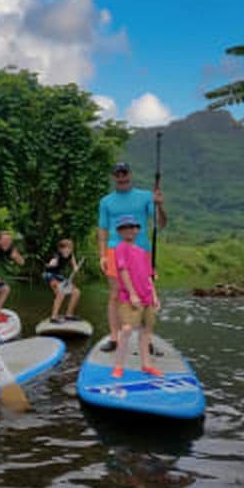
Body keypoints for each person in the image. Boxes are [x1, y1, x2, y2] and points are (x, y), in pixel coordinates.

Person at [98, 162, 167, 352]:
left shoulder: (146, 196)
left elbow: (161, 224)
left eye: (124, 173)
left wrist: (160, 206)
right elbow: (102, 230)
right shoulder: (105, 201)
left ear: (130, 174)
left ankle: (147, 339)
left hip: (142, 251)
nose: (121, 177)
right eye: (117, 174)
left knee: (146, 295)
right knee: (115, 295)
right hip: (114, 250)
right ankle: (114, 338)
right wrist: (102, 255)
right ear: (114, 176)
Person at [111, 215, 162, 379]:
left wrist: (155, 296)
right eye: (125, 227)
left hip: (147, 297)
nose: (130, 230)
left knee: (146, 332)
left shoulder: (142, 252)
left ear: (137, 229)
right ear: (120, 231)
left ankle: (146, 365)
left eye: (132, 227)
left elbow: (149, 276)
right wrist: (132, 293)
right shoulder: (121, 248)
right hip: (129, 297)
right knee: (126, 329)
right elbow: (123, 270)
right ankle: (119, 366)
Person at [0, 231, 25, 322]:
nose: (7, 242)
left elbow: (22, 263)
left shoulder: (10, 249)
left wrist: (17, 257)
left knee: (5, 289)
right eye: (4, 240)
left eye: (9, 241)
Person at [43, 239, 81, 323]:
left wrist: (75, 268)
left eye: (70, 248)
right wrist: (52, 263)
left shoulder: (71, 255)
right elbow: (53, 261)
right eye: (66, 248)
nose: (68, 250)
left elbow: (74, 265)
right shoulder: (57, 256)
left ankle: (69, 314)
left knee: (76, 292)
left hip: (59, 276)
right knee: (61, 293)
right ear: (60, 249)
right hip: (50, 275)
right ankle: (54, 317)